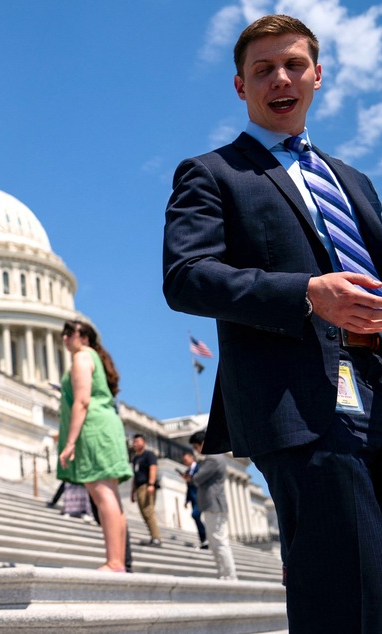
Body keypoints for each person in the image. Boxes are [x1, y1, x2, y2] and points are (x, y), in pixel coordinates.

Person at [163, 13, 382, 630]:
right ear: (240, 86)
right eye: (263, 70)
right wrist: (308, 293)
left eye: (293, 65)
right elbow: (186, 277)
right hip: (304, 406)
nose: (279, 79)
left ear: (318, 76)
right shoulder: (213, 173)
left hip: (377, 384)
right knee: (344, 591)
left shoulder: (355, 180)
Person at [58, 320, 133, 572]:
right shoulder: (94, 358)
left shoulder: (81, 358)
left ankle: (114, 562)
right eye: (64, 334)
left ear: (85, 338)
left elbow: (81, 401)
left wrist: (69, 443)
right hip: (107, 427)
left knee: (102, 495)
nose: (65, 338)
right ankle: (118, 562)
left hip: (93, 428)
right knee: (110, 496)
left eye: (70, 333)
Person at [186, 432, 237, 580]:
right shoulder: (214, 458)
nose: (196, 450)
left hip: (214, 504)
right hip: (213, 505)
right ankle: (224, 574)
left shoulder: (213, 459)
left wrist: (192, 476)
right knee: (216, 541)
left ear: (203, 443)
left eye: (196, 446)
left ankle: (229, 575)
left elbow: (197, 478)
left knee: (219, 541)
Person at [130, 434, 161, 546]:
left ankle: (156, 538)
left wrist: (151, 484)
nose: (135, 444)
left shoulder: (149, 455)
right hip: (138, 487)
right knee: (144, 513)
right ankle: (153, 537)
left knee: (148, 511)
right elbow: (135, 475)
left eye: (138, 441)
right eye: (134, 442)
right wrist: (132, 492)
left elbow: (153, 468)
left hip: (147, 485)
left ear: (144, 442)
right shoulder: (135, 459)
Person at [180, 451, 208, 549]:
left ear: (191, 458)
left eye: (186, 460)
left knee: (195, 515)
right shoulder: (187, 472)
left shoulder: (199, 468)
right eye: (183, 461)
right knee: (196, 519)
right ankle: (203, 540)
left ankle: (206, 534)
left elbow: (199, 482)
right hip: (192, 498)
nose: (184, 462)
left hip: (200, 496)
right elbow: (189, 488)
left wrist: (190, 480)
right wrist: (187, 500)